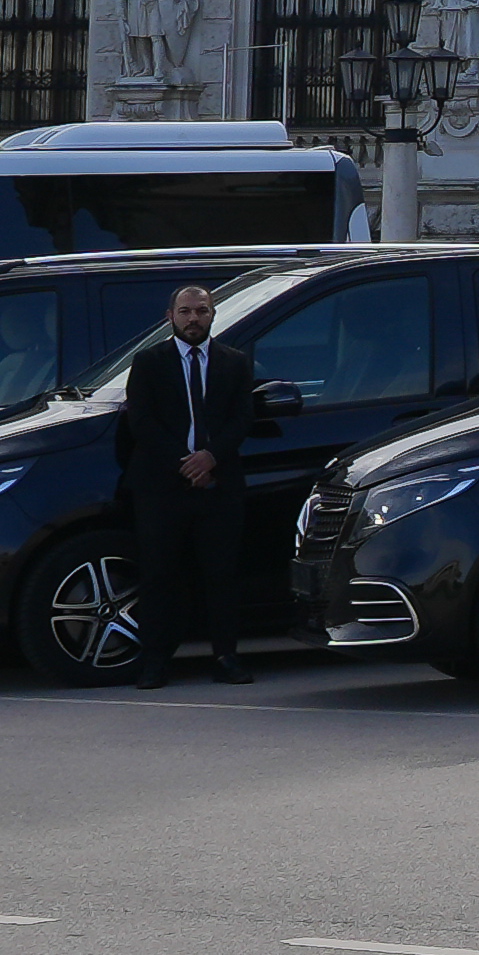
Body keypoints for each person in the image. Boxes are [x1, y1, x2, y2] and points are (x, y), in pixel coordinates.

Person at [111, 279, 275, 688]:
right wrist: (183, 462)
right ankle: (154, 661)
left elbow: (242, 417)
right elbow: (141, 420)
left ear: (213, 314)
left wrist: (211, 457)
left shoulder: (235, 362)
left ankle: (226, 656)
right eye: (185, 312)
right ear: (170, 317)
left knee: (220, 574)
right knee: (159, 575)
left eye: (201, 310)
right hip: (162, 487)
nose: (193, 319)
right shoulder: (149, 362)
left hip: (219, 486)